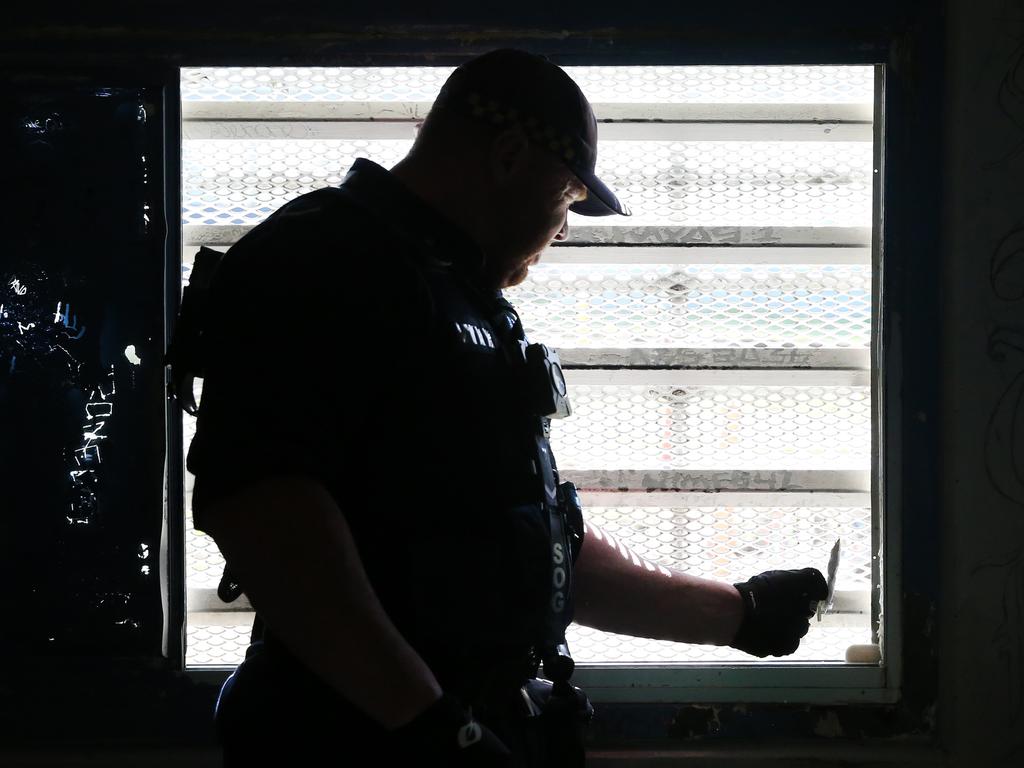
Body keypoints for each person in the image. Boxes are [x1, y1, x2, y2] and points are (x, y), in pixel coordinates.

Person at [181, 49, 828, 767]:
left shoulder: (457, 296)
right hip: (354, 741)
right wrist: (429, 726)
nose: (567, 227)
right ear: (511, 156)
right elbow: (265, 510)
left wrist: (737, 613)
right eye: (569, 198)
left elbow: (525, 550)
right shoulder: (325, 259)